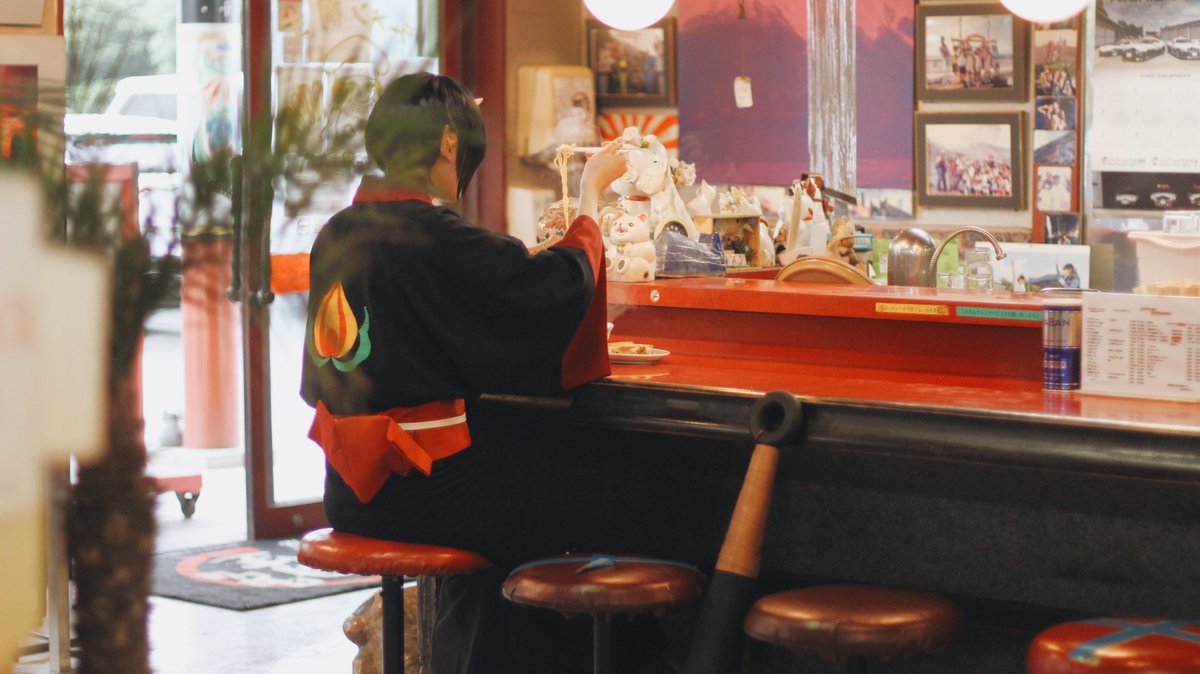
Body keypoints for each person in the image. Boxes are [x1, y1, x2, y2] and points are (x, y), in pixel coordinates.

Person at [300, 73, 629, 674]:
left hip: (349, 495)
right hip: (430, 497)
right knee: (583, 515)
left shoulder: (335, 234)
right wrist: (589, 197)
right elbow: (552, 288)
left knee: (515, 519)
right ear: (449, 143)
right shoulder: (436, 237)